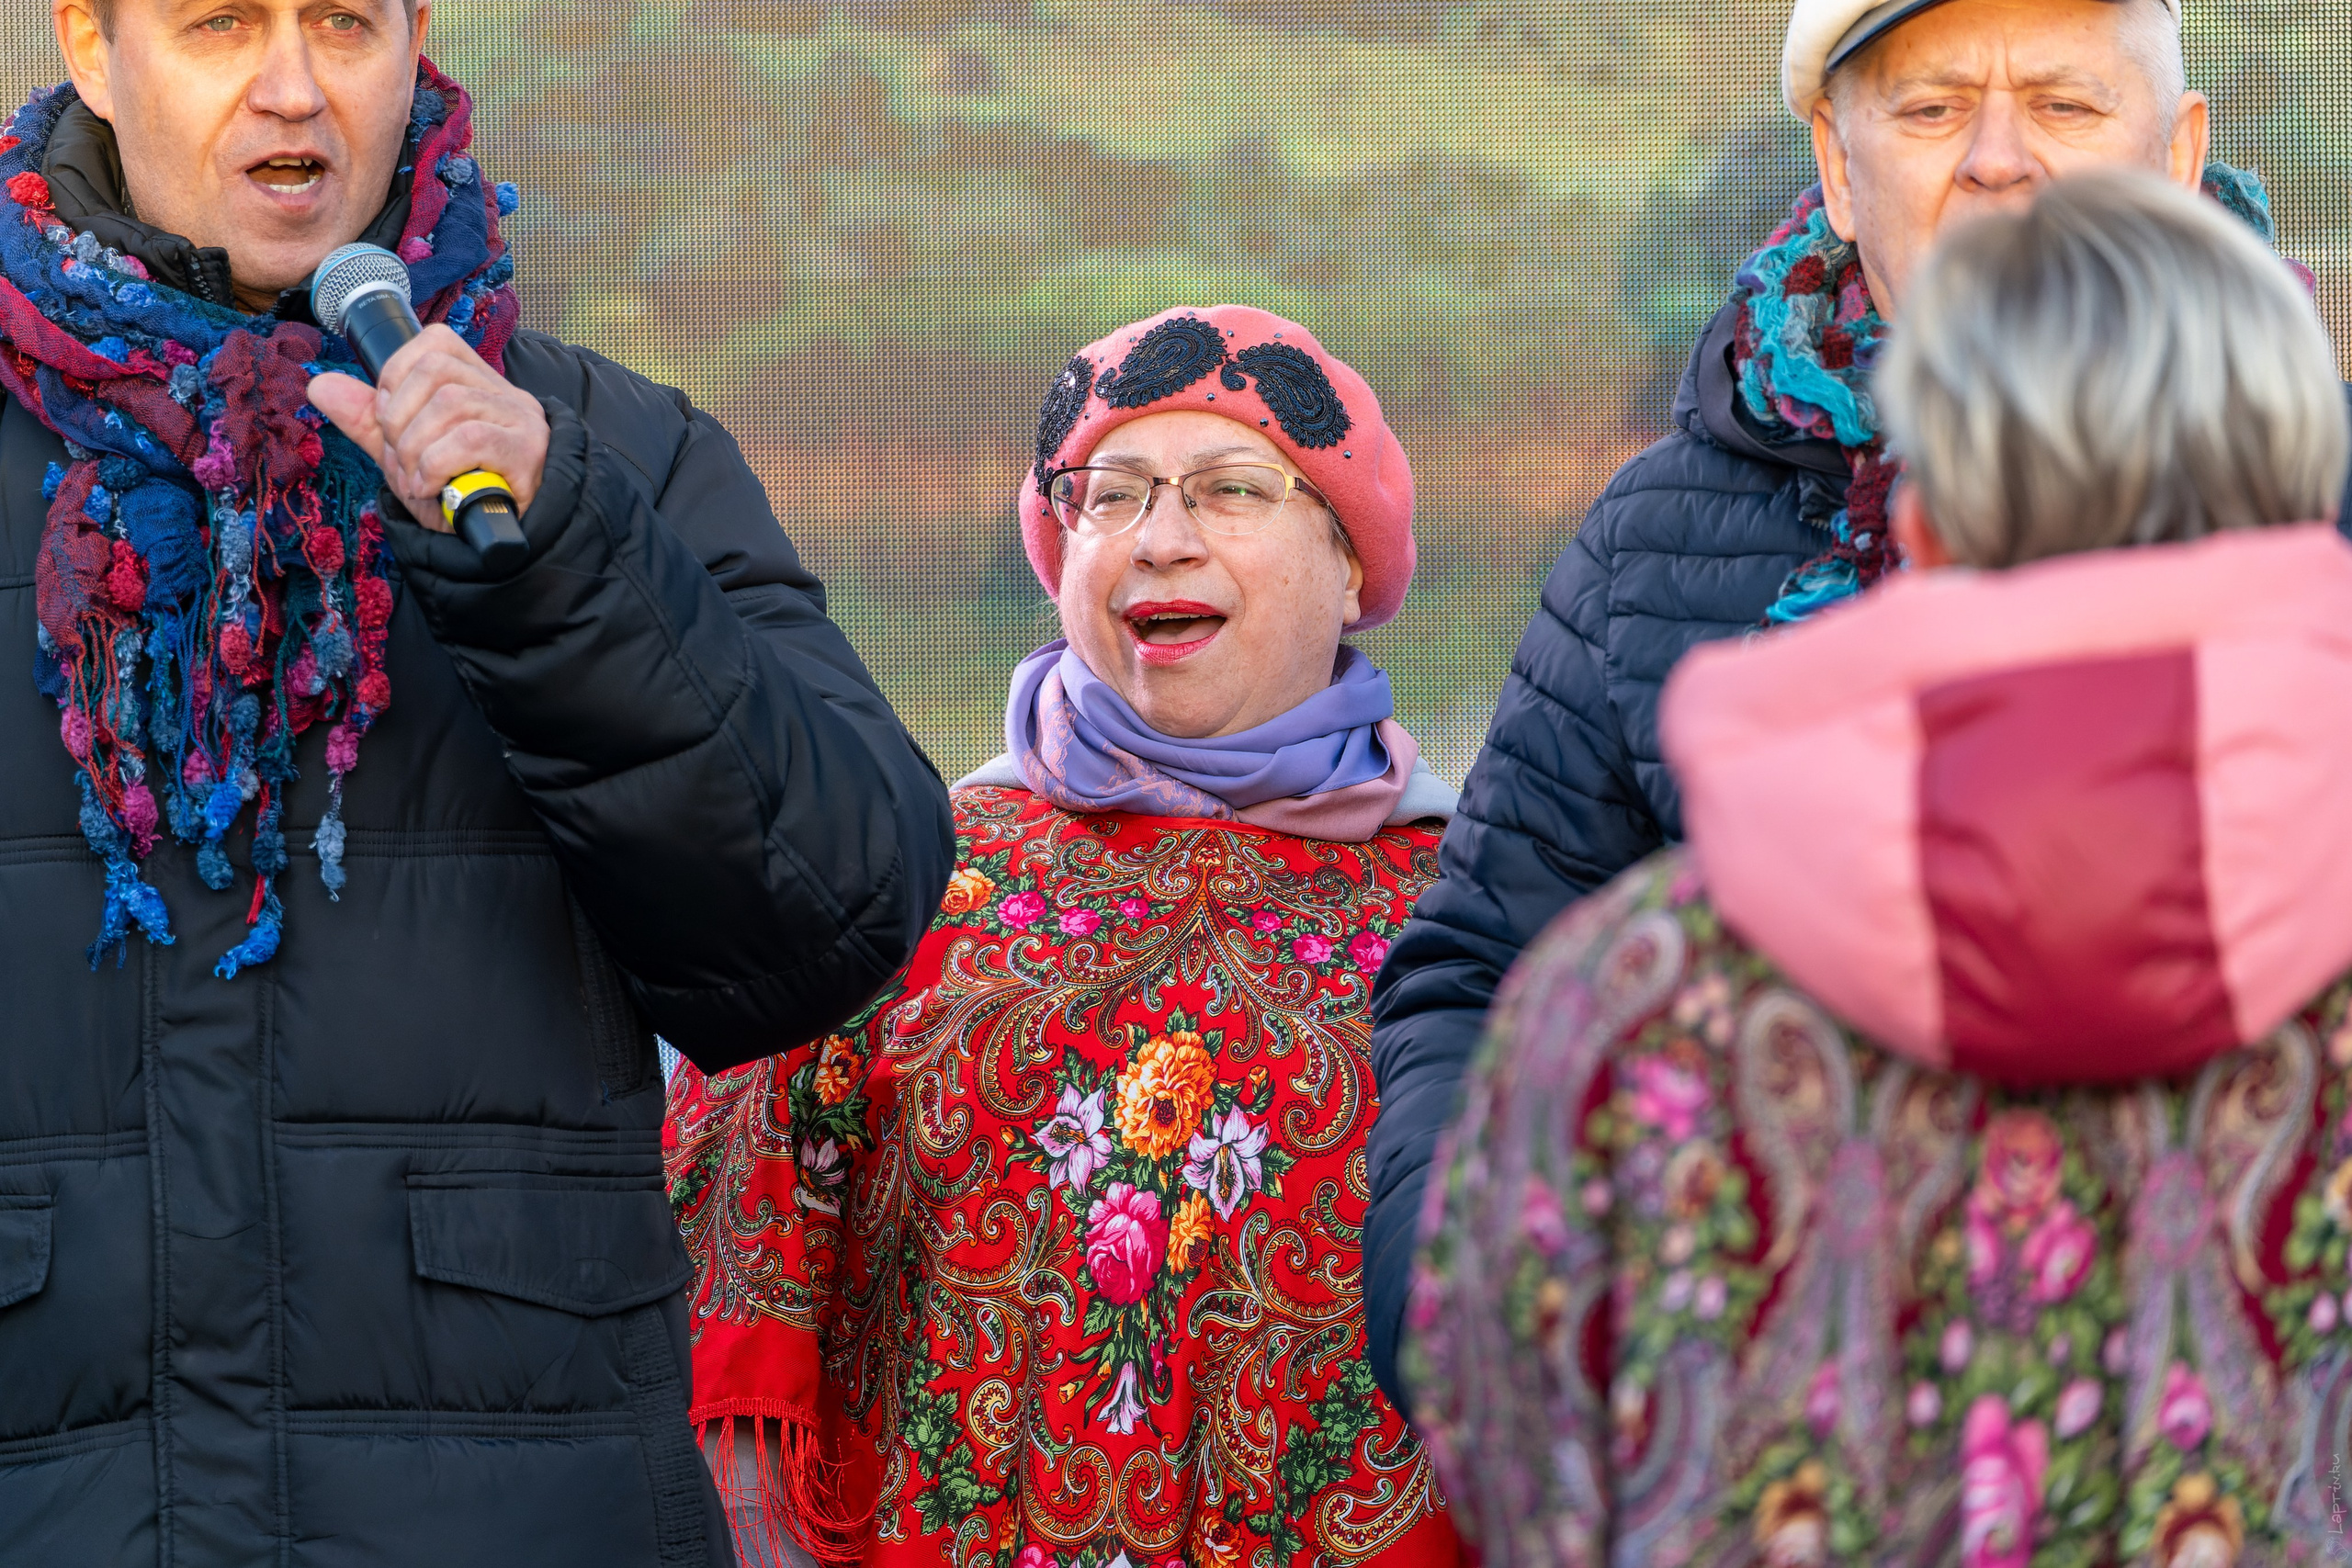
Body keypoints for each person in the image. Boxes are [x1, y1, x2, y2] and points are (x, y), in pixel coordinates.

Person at [1, 1, 954, 1561]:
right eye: (221, 23)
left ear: (415, 40)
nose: (293, 88)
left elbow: (831, 922)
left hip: (518, 1499)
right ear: (94, 52)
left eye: (343, 23)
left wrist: (560, 565)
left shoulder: (606, 456)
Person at [1360, 0, 2352, 1416]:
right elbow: (1480, 982)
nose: (2000, 160)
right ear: (1836, 163)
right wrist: (1494, 1345)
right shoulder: (1652, 542)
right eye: (1933, 108)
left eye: (2067, 104)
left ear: (2181, 150)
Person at [665, 306, 1465, 1568]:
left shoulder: (1471, 918)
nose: (1161, 539)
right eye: (1111, 494)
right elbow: (727, 1288)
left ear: (1353, 563)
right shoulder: (904, 871)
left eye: (1232, 489)